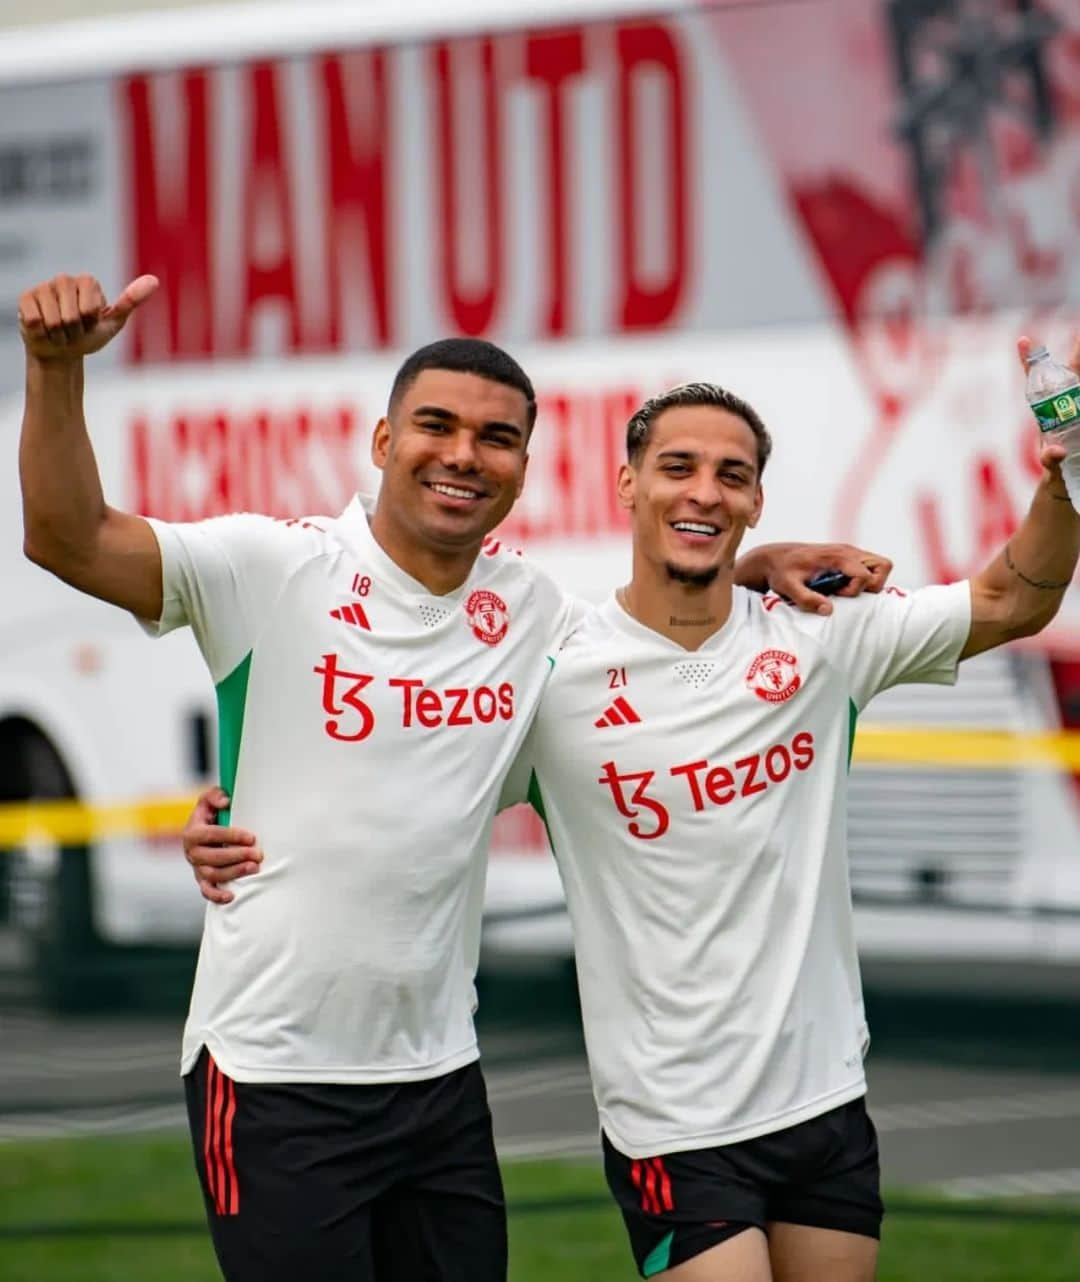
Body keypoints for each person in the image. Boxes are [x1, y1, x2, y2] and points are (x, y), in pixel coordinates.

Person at [16, 270, 887, 1282]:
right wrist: (54, 371)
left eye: (497, 437)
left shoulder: (534, 615)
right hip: (273, 1072)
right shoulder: (269, 567)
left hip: (439, 1080)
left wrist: (752, 560)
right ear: (384, 443)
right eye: (436, 425)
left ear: (522, 467)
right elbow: (67, 537)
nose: (463, 454)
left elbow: (652, 619)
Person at [190, 350, 1079, 1282]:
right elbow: (396, 775)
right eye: (678, 468)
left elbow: (1015, 596)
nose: (704, 492)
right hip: (676, 1129)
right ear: (628, 483)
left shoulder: (829, 637)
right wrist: (233, 819)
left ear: (757, 502)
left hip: (827, 1103)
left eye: (732, 475)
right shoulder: (556, 672)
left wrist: (1067, 463)